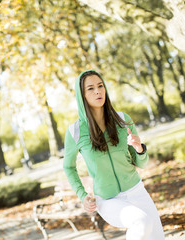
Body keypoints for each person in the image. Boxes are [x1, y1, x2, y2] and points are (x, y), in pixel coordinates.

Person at [63, 70, 164, 240]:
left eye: (100, 86)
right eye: (91, 88)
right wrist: (82, 195)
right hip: (108, 200)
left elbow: (142, 163)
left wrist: (139, 148)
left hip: (137, 191)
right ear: (82, 95)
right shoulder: (75, 132)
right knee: (140, 222)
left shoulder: (122, 119)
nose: (98, 91)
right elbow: (68, 167)